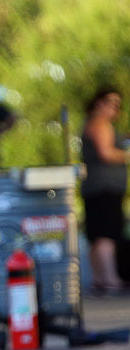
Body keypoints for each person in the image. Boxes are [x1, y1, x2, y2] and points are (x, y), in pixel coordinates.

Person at [80, 87, 129, 294]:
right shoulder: (100, 123)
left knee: (98, 235)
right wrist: (126, 155)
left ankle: (100, 279)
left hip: (97, 187)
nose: (115, 108)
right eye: (111, 102)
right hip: (105, 187)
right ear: (99, 102)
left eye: (118, 104)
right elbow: (106, 152)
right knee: (106, 234)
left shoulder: (93, 123)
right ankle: (110, 279)